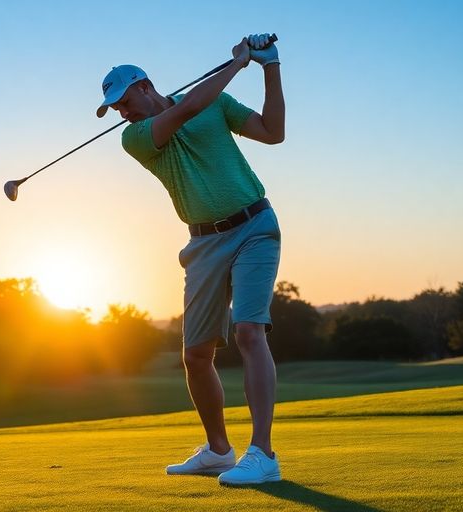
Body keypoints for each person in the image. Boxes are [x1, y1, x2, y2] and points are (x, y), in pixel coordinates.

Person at [97, 34, 284, 485]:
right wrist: (237, 63)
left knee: (248, 331)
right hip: (201, 244)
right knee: (195, 356)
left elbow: (273, 133)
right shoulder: (135, 137)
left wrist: (269, 67)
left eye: (123, 101)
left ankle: (263, 454)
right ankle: (219, 451)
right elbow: (183, 112)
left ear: (144, 86)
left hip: (254, 226)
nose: (122, 113)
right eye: (115, 108)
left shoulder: (217, 102)